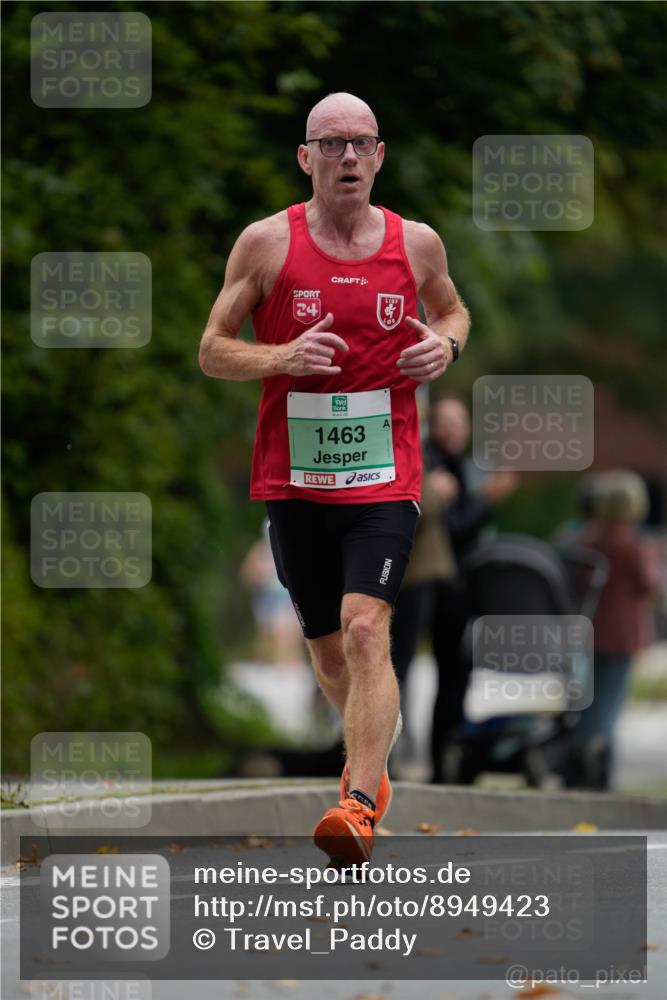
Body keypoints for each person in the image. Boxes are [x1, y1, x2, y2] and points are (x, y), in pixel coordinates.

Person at [199, 92, 470, 865]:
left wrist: (445, 347)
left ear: (379, 156)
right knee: (326, 653)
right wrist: (280, 356)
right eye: (330, 143)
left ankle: (355, 801)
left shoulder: (415, 243)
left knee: (363, 628)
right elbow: (213, 350)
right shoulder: (265, 244)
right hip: (293, 480)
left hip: (386, 474)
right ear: (305, 157)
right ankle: (373, 760)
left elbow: (453, 312)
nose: (346, 156)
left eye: (360, 143)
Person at [425, 397, 517, 781]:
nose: (454, 428)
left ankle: (447, 760)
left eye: (460, 421)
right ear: (432, 425)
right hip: (432, 585)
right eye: (446, 421)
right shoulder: (431, 464)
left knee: (455, 675)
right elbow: (456, 529)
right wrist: (488, 499)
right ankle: (431, 761)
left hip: (456, 588)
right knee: (431, 673)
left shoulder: (460, 466)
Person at [569, 470, 661, 789]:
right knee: (608, 709)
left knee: (587, 706)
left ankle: (575, 769)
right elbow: (649, 586)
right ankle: (600, 776)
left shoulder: (586, 540)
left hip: (587, 633)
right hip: (620, 636)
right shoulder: (631, 545)